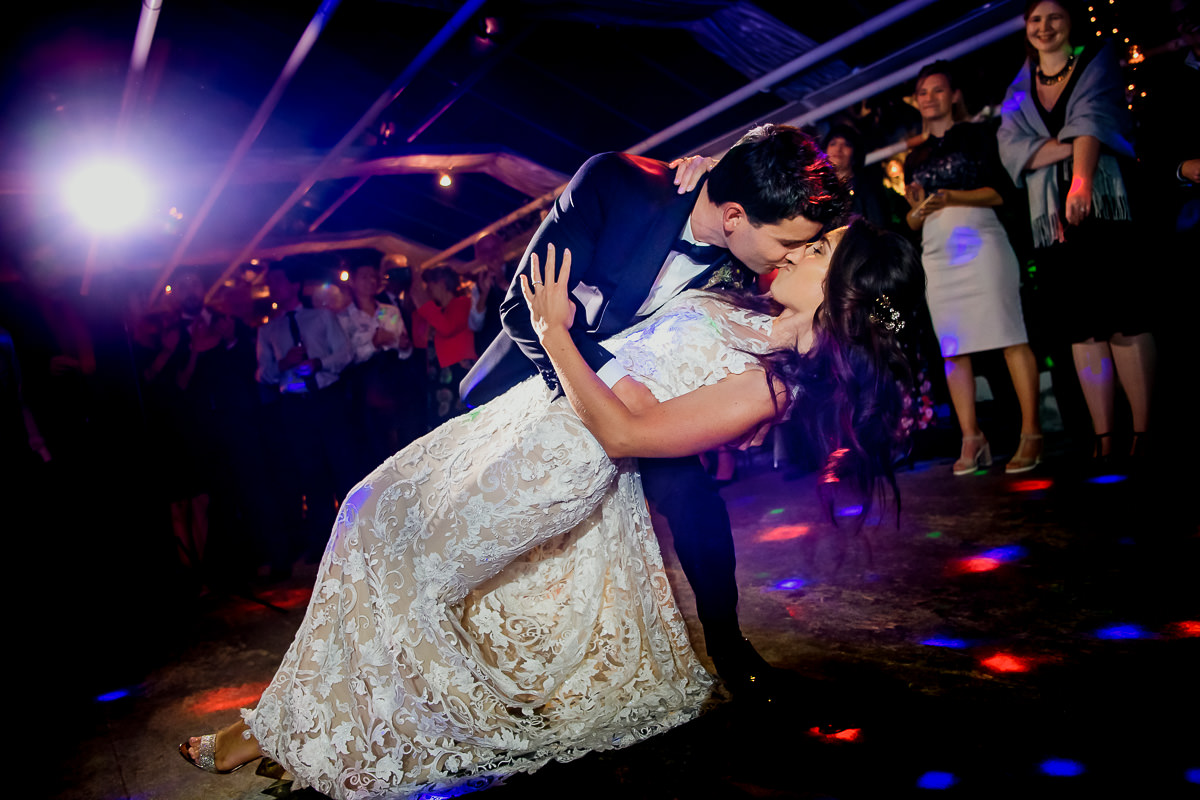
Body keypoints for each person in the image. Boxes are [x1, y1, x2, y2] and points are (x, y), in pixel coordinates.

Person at [180, 217, 925, 799]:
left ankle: (297, 734)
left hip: (560, 456)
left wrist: (554, 332)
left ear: (849, 292)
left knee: (391, 550)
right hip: (531, 414)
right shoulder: (748, 308)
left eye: (821, 249)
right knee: (371, 519)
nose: (799, 249)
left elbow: (627, 430)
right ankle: (298, 725)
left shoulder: (774, 382)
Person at [459, 125, 846, 695]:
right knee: (480, 532)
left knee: (695, 504)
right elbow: (523, 307)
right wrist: (614, 387)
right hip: (535, 377)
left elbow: (873, 311)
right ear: (736, 216)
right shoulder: (618, 183)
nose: (790, 259)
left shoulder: (745, 256)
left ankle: (728, 649)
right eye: (787, 245)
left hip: (639, 417)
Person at [997, 0, 1156, 464]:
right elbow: (1012, 148)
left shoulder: (1096, 58)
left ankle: (1144, 433)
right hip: (1052, 223)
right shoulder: (1017, 86)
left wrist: (1081, 181)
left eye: (1054, 18)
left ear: (1070, 22)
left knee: (1124, 318)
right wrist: (1069, 145)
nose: (1044, 27)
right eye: (1035, 20)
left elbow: (1094, 120)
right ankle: (1105, 437)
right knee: (1082, 329)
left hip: (1103, 205)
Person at [904, 61, 1043, 475]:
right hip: (937, 252)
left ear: (954, 94)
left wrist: (951, 196)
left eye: (937, 90)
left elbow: (1003, 193)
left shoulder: (979, 136)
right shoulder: (913, 156)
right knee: (952, 348)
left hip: (981, 241)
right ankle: (971, 437)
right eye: (922, 92)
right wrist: (919, 210)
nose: (929, 98)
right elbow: (911, 220)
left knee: (1010, 334)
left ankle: (1032, 432)